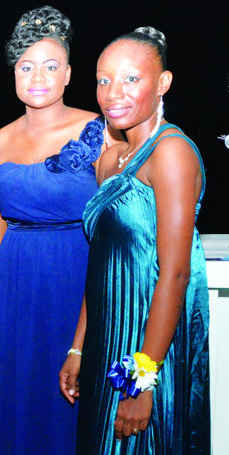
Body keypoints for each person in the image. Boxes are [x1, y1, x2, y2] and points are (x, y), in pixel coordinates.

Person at [0, 7, 115, 454]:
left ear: (69, 74)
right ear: (14, 74)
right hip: (14, 290)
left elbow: (115, 235)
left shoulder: (102, 131)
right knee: (17, 402)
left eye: (51, 66)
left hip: (78, 280)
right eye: (27, 66)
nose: (38, 76)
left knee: (72, 404)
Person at [59, 27, 209, 454]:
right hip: (107, 332)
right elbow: (101, 263)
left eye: (131, 79)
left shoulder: (171, 152)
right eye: (104, 80)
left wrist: (144, 380)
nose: (112, 93)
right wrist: (78, 347)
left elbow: (177, 273)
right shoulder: (108, 159)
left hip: (148, 338)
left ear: (162, 84)